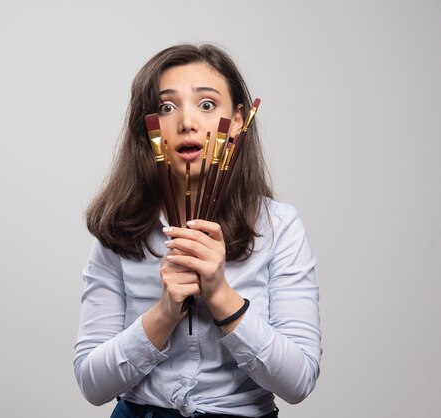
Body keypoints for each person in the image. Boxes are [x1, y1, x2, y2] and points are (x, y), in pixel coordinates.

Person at [73, 44, 321, 418]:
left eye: (207, 105)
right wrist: (165, 312)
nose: (187, 121)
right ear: (149, 126)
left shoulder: (279, 227)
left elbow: (298, 382)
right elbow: (92, 384)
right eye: (166, 107)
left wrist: (220, 294)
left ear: (237, 120)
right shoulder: (120, 230)